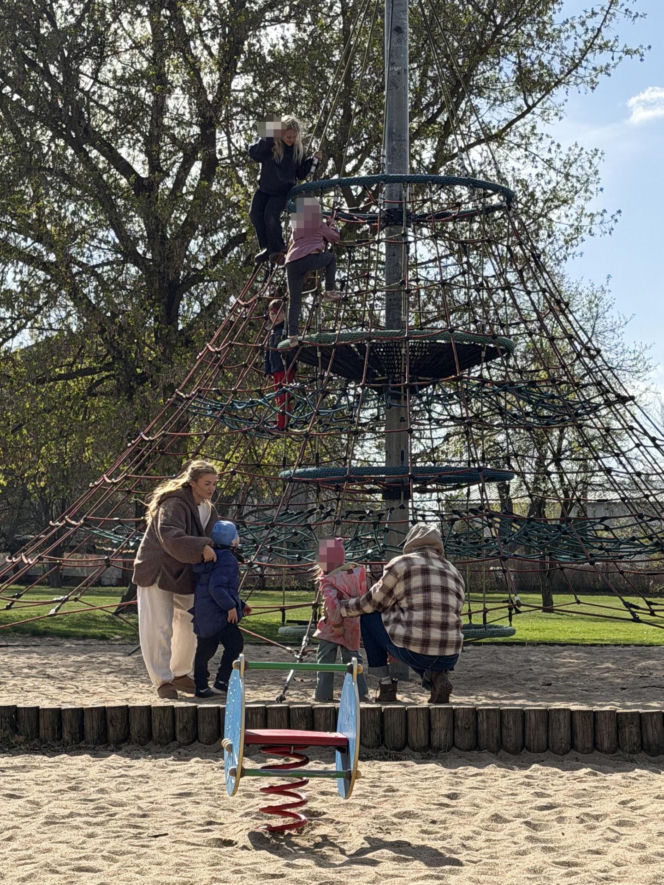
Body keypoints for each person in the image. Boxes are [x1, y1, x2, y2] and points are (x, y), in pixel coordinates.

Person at [338, 523, 465, 704]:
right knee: (423, 639)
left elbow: (372, 602)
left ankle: (386, 685)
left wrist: (342, 608)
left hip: (416, 650)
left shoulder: (402, 564)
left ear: (411, 542)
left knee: (369, 616)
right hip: (450, 654)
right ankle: (438, 678)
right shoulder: (453, 570)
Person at [132, 461, 220, 699]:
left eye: (214, 483)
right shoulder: (173, 504)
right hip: (158, 570)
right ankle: (162, 680)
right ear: (192, 483)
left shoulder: (208, 510)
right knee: (159, 625)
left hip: (184, 572)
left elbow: (215, 537)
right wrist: (201, 547)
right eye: (207, 483)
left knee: (191, 621)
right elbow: (170, 535)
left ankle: (180, 673)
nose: (211, 488)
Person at [190, 520, 251, 698]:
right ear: (232, 540)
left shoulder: (210, 557)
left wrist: (240, 604)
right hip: (220, 614)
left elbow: (217, 586)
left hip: (205, 612)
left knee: (205, 650)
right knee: (235, 644)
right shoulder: (227, 559)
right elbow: (216, 588)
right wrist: (231, 607)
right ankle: (222, 682)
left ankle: (201, 686)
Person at [248, 116, 320, 265]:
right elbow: (254, 153)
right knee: (255, 214)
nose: (291, 140)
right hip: (264, 189)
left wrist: (314, 161)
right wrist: (270, 134)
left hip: (282, 192)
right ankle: (266, 247)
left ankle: (278, 248)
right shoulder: (271, 146)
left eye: (294, 137)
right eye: (288, 137)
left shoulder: (297, 151)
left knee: (270, 215)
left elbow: (301, 173)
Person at [313, 538, 370, 702]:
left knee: (325, 659)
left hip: (332, 625)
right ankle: (360, 693)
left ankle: (323, 694)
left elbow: (332, 604)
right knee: (353, 658)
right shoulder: (354, 574)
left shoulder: (329, 580)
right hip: (352, 622)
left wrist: (337, 624)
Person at [282, 196, 341, 346]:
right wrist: (332, 225)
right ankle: (329, 290)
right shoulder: (318, 223)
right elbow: (334, 237)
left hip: (292, 262)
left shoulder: (296, 225)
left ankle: (292, 335)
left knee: (294, 300)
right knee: (331, 258)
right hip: (309, 257)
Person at [264, 298, 296, 431]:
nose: (275, 317)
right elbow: (268, 353)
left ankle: (283, 424)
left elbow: (294, 348)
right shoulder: (272, 332)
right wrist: (267, 370)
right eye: (272, 314)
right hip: (276, 369)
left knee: (283, 396)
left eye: (278, 313)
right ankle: (281, 422)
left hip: (285, 367)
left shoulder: (287, 330)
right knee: (279, 396)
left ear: (284, 313)